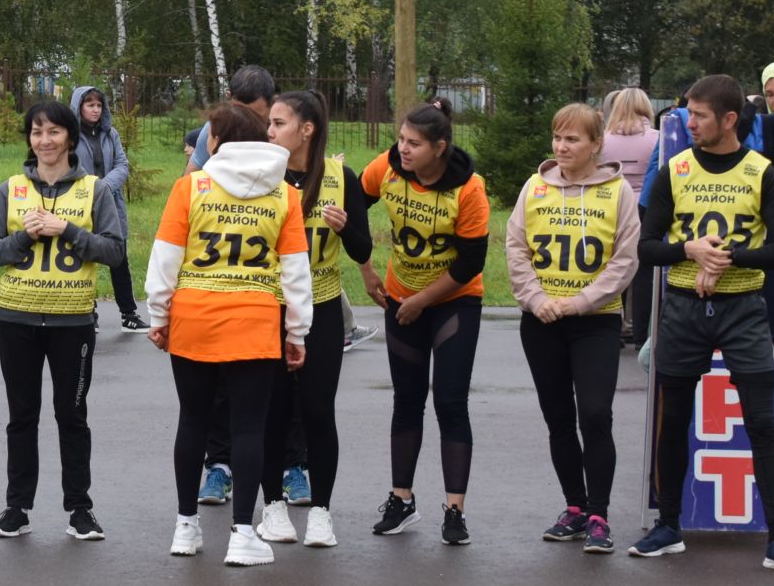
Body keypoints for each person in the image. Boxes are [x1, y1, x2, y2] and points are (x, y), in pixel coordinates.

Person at [630, 74, 774, 573]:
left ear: (729, 120)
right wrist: (689, 250)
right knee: (674, 422)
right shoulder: (675, 169)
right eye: (688, 115)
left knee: (762, 424)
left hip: (744, 309)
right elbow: (646, 248)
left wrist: (729, 258)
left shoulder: (761, 172)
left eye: (700, 116)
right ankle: (667, 526)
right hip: (683, 309)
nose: (690, 124)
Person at [148, 104, 312, 565]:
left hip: (194, 316)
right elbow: (296, 273)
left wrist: (159, 315)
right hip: (256, 321)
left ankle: (185, 527)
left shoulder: (191, 188)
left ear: (218, 141)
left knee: (193, 422)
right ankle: (243, 532)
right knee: (248, 428)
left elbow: (166, 259)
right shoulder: (284, 196)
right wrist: (297, 331)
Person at [0, 99, 126, 539]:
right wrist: (26, 236)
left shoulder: (94, 190)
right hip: (17, 320)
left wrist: (69, 232)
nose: (45, 141)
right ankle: (16, 508)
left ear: (70, 138)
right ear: (29, 139)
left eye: (54, 132)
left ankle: (79, 509)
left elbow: (115, 251)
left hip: (73, 323)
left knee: (72, 415)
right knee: (22, 416)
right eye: (37, 132)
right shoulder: (9, 189)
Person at [505, 104, 640, 554]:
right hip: (542, 322)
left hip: (595, 322)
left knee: (596, 415)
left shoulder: (618, 191)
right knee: (559, 420)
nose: (562, 147)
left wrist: (582, 302)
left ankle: (600, 515)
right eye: (558, 137)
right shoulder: (535, 186)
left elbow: (625, 259)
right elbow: (516, 246)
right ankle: (575, 508)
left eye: (573, 139)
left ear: (596, 145)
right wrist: (537, 300)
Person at [360, 103, 491, 545]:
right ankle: (402, 500)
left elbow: (472, 262)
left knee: (450, 403)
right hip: (402, 296)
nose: (403, 149)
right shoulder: (389, 168)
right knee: (407, 399)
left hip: (453, 300)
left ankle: (455, 510)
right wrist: (366, 268)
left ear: (440, 147)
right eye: (400, 139)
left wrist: (421, 301)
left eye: (414, 144)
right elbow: (354, 206)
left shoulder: (469, 190)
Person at [254, 90, 371, 551]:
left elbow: (362, 251)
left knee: (319, 410)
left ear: (307, 129)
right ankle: (273, 506)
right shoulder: (262, 175)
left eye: (279, 123)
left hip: (321, 306)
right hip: (270, 305)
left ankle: (320, 512)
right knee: (273, 411)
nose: (270, 131)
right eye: (270, 123)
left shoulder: (343, 178)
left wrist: (346, 228)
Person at [190, 66, 277, 507]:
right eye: (246, 113)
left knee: (270, 396)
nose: (254, 125)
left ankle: (284, 477)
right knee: (216, 393)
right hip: (210, 293)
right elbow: (189, 184)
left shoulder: (277, 132)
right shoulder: (215, 131)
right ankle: (217, 468)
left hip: (261, 293)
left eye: (261, 117)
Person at [72, 85, 143, 334]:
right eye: (90, 105)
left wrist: (102, 187)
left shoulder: (110, 133)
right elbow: (67, 166)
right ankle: (87, 312)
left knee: (118, 257)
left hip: (110, 201)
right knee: (84, 256)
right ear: (79, 107)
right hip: (81, 203)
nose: (95, 110)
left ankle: (129, 314)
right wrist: (88, 189)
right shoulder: (70, 136)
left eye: (99, 105)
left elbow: (122, 165)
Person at [599, 88, 659, 342]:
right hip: (645, 207)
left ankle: (615, 326)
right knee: (644, 270)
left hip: (611, 205)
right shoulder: (658, 138)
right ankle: (642, 332)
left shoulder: (602, 139)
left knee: (613, 266)